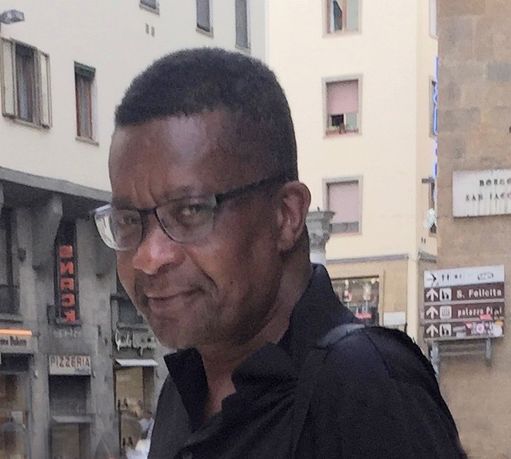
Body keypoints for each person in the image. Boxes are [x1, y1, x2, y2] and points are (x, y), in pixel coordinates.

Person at [94, 48, 465, 458]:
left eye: (191, 211)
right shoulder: (181, 395)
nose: (148, 256)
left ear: (286, 216)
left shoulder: (362, 384)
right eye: (128, 220)